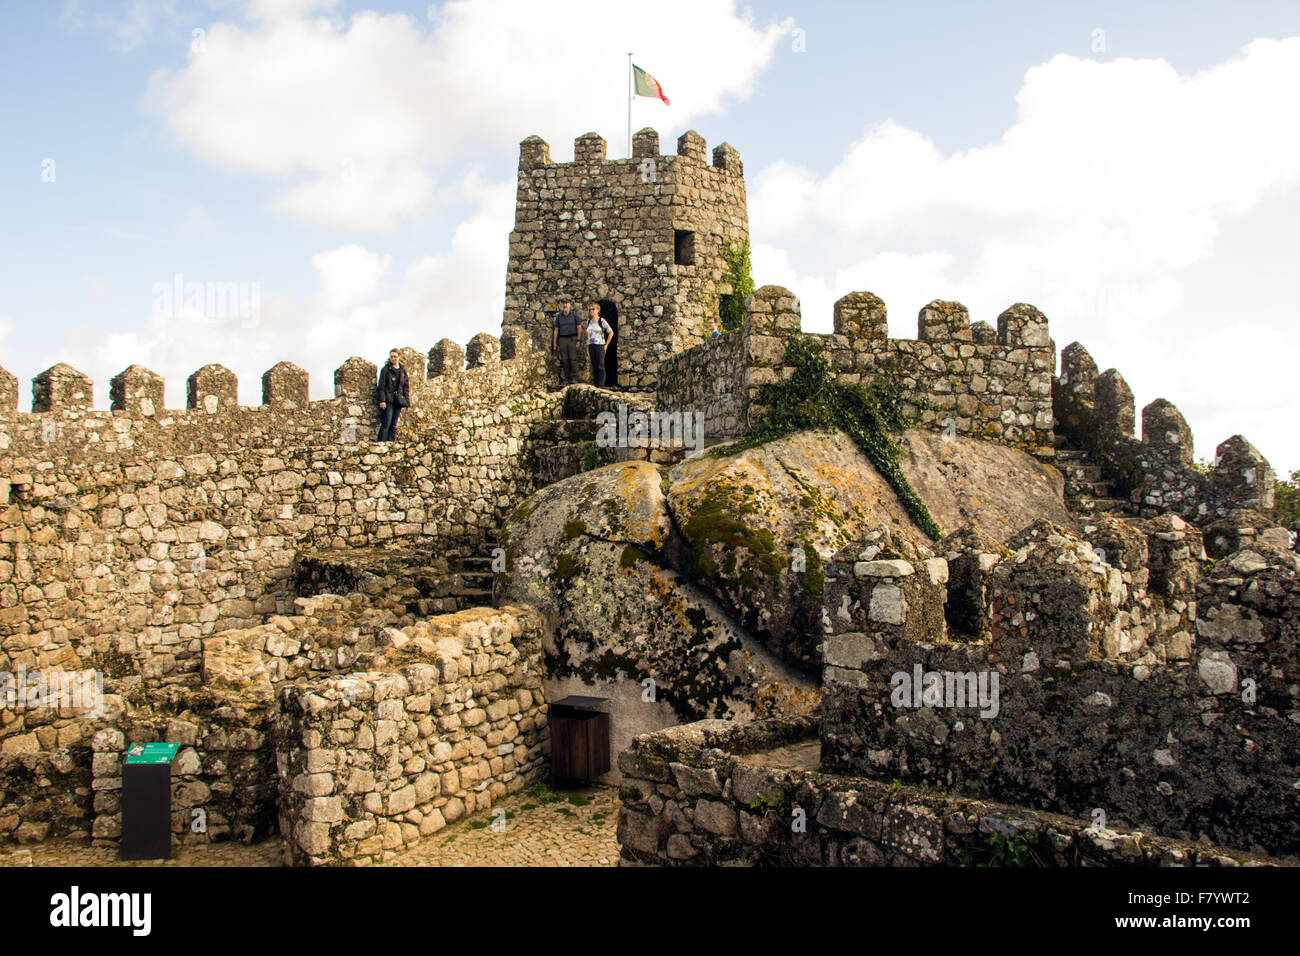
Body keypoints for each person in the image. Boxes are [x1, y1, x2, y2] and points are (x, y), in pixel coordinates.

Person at [376, 349, 409, 441]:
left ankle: (391, 444)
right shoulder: (385, 370)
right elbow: (381, 387)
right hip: (388, 400)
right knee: (386, 423)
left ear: (399, 357)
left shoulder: (403, 371)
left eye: (395, 356)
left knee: (393, 424)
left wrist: (407, 403)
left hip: (398, 401)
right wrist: (382, 400)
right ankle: (381, 443)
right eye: (391, 356)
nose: (393, 358)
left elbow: (406, 388)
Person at [551, 298, 582, 384]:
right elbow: (556, 330)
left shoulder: (574, 315)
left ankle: (575, 378)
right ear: (561, 305)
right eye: (563, 303)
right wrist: (554, 342)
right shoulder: (559, 317)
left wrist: (578, 340)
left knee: (573, 359)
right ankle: (567, 379)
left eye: (567, 303)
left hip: (572, 339)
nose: (565, 305)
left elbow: (579, 328)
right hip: (562, 339)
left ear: (569, 304)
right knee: (564, 360)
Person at [585, 302, 614, 387]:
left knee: (600, 366)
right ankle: (596, 384)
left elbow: (611, 332)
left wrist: (606, 345)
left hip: (599, 345)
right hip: (591, 345)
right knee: (594, 365)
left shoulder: (601, 321)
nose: (591, 311)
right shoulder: (589, 322)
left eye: (593, 309)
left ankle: (601, 385)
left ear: (598, 310)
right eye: (590, 309)